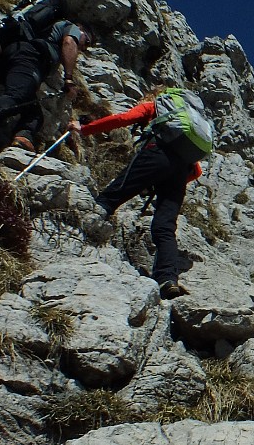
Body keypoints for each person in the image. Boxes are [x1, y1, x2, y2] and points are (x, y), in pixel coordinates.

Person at [69, 93, 205, 300]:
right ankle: (168, 279)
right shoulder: (189, 124)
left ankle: (79, 233)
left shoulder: (155, 106)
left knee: (112, 196)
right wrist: (164, 182)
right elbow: (197, 172)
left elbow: (122, 119)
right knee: (165, 227)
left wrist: (85, 129)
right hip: (181, 170)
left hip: (156, 154)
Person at [0, 19, 91, 156]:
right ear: (81, 29)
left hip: (11, 56)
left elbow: (4, 42)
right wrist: (69, 80)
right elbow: (69, 42)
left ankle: (23, 140)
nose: (84, 48)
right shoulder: (72, 27)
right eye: (87, 42)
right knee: (17, 96)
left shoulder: (33, 28)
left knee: (34, 113)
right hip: (30, 58)